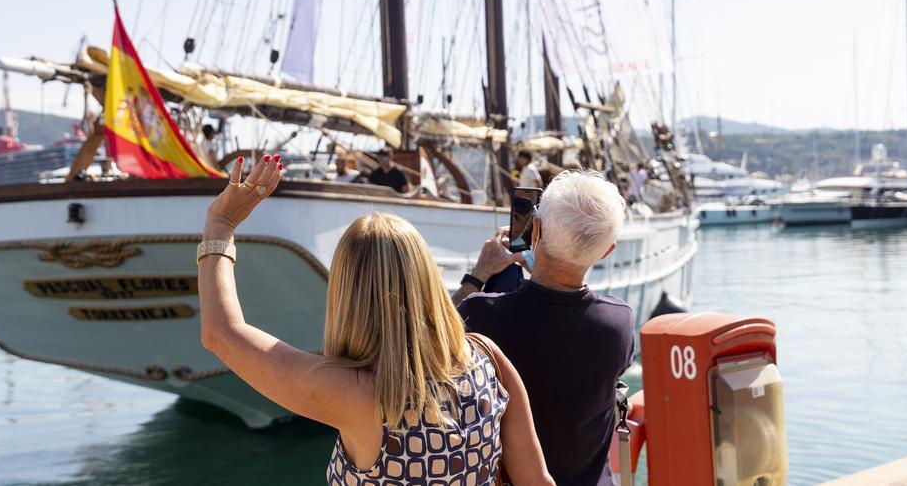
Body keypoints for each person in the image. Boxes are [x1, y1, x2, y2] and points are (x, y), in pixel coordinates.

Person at [198, 155, 554, 486]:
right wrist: (477, 276)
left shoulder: (358, 396)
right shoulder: (486, 358)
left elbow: (222, 334)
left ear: (345, 293)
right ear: (426, 279)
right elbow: (537, 481)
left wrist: (221, 226)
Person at [452, 171, 634, 486]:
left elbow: (430, 337)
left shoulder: (481, 314)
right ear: (606, 251)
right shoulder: (619, 322)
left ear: (535, 229)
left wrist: (479, 274)